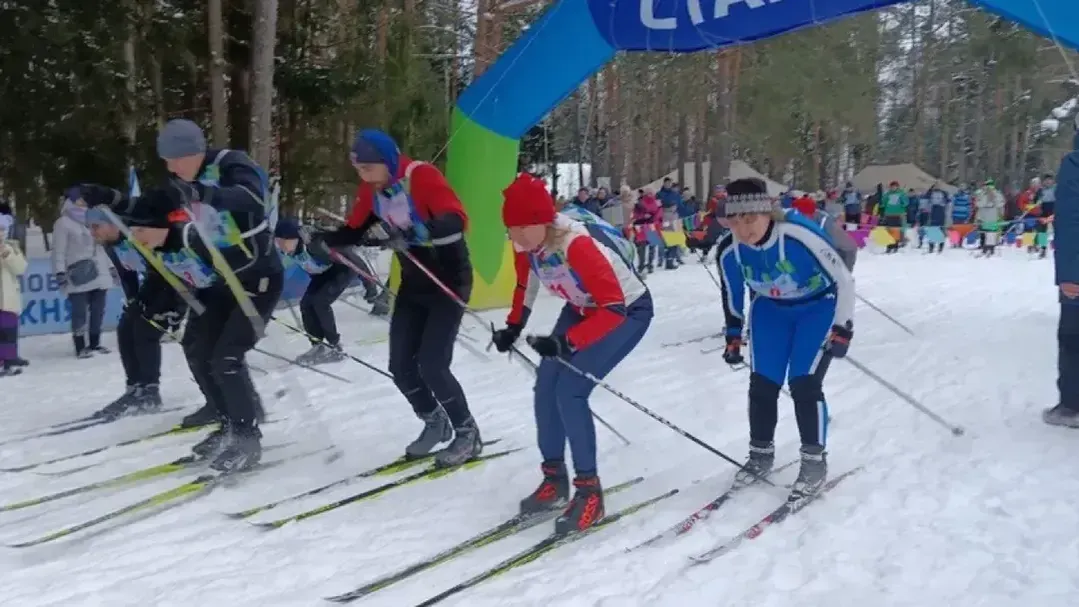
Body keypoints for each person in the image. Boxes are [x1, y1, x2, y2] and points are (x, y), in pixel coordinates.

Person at [491, 174, 652, 534]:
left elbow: (614, 310)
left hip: (626, 311)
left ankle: (589, 493)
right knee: (546, 386)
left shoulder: (576, 245)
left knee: (571, 391)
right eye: (510, 230)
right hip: (581, 308)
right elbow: (524, 284)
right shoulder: (526, 245)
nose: (515, 238)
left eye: (520, 229)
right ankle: (554, 480)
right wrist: (513, 326)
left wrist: (568, 343)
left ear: (542, 221)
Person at [118, 119, 281, 471]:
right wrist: (112, 203)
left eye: (174, 159)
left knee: (226, 356)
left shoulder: (230, 163)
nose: (170, 168)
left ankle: (246, 434)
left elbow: (252, 200)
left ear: (193, 153)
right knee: (197, 348)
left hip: (257, 276)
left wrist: (203, 194)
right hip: (219, 280)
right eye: (166, 161)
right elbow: (153, 214)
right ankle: (227, 422)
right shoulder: (180, 181)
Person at [319, 128, 481, 467]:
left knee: (433, 364)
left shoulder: (420, 176)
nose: (363, 177)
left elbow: (456, 221)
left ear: (386, 162)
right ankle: (434, 420)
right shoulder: (373, 189)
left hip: (448, 278)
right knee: (400, 366)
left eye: (367, 169)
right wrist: (324, 239)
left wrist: (418, 233)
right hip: (413, 281)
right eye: (359, 171)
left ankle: (467, 432)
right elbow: (355, 230)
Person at [716, 178, 854, 502]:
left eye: (750, 219)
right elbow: (733, 294)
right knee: (763, 384)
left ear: (768, 213)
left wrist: (842, 328)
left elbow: (844, 279)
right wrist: (733, 335)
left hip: (817, 309)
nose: (744, 229)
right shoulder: (729, 249)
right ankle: (760, 454)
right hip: (771, 312)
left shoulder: (798, 235)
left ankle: (814, 462)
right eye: (735, 221)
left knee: (803, 382)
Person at [84, 206, 184, 418]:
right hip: (154, 281)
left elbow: (172, 265)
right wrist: (133, 301)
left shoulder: (136, 233)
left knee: (145, 331)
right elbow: (126, 273)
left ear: (112, 224)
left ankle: (149, 391)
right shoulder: (111, 243)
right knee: (126, 327)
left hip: (174, 282)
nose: (93, 233)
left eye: (96, 227)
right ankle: (135, 389)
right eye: (89, 228)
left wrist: (177, 307)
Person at [274, 217, 356, 364]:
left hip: (342, 271)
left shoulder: (314, 243)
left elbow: (352, 257)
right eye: (278, 242)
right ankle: (318, 345)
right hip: (322, 275)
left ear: (294, 238)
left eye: (284, 241)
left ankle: (335, 346)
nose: (282, 246)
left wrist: (371, 288)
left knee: (320, 302)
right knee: (305, 304)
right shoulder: (289, 249)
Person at [51, 191, 115, 358]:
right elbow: (59, 250)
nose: (82, 202)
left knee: (98, 309)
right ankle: (80, 346)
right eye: (78, 199)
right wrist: (59, 271)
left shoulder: (94, 218)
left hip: (99, 271)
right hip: (79, 273)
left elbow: (103, 245)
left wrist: (111, 266)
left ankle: (95, 343)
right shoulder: (63, 223)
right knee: (79, 312)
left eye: (84, 199)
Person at [1046, 123, 1079, 427]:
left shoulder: (1074, 163)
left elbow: (1070, 220)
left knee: (1072, 338)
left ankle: (1072, 406)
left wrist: (1069, 274)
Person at [0, 219, 27, 377]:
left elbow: (21, 268)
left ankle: (9, 360)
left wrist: (7, 255)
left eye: (2, 229)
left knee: (8, 330)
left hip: (8, 298)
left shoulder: (11, 247)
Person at [975, 179, 1006, 256]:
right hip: (983, 216)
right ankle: (984, 248)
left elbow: (1001, 203)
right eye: (987, 186)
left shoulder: (997, 194)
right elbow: (978, 204)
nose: (989, 188)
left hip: (993, 216)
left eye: (990, 186)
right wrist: (986, 201)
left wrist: (994, 201)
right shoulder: (982, 194)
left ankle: (991, 248)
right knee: (984, 233)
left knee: (991, 233)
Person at [880, 181, 908, 254]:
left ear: (897, 186)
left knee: (896, 231)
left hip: (897, 214)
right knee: (889, 231)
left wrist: (902, 204)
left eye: (895, 186)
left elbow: (906, 202)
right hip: (889, 214)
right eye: (892, 186)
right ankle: (889, 246)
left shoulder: (901, 193)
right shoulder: (887, 194)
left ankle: (895, 246)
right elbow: (883, 203)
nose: (893, 188)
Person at [1033, 174, 1056, 259]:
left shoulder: (1056, 188)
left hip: (1054, 210)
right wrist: (1037, 200)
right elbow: (1035, 199)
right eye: (1046, 180)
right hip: (1044, 211)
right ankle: (1043, 248)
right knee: (1042, 231)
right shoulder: (1041, 190)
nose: (1048, 182)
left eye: (1050, 180)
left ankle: (1059, 247)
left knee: (1058, 229)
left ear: (1052, 181)